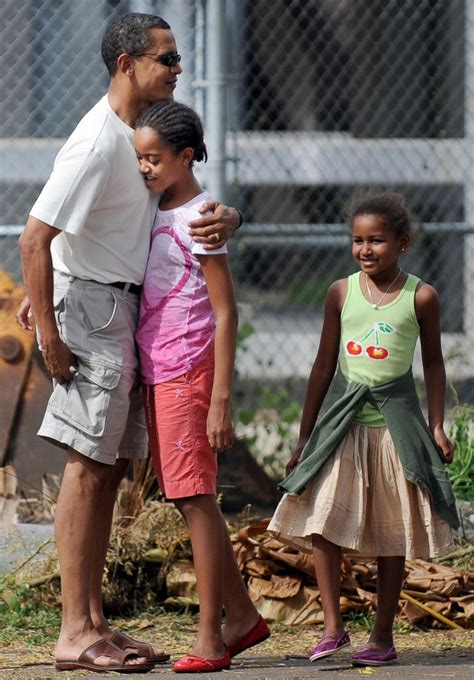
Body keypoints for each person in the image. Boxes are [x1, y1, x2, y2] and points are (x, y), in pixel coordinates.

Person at [18, 13, 243, 674]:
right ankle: (73, 633)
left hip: (123, 308)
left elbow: (175, 200)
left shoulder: (141, 138)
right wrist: (54, 332)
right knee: (88, 469)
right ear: (127, 65)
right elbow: (35, 236)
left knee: (110, 467)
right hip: (91, 308)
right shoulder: (96, 142)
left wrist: (228, 215)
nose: (178, 70)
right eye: (166, 60)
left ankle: (94, 624)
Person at [268, 191, 459, 667]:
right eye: (357, 240)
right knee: (322, 521)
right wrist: (304, 435)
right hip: (343, 427)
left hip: (396, 430)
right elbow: (322, 366)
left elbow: (433, 364)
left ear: (403, 243)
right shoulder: (341, 292)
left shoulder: (421, 296)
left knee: (392, 535)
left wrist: (437, 425)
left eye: (377, 240)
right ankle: (333, 628)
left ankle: (381, 635)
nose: (365, 249)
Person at [133, 99, 270, 673]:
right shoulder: (152, 205)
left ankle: (211, 637)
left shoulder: (201, 217)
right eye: (139, 158)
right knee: (187, 497)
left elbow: (226, 310)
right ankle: (243, 620)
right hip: (158, 370)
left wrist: (219, 401)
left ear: (186, 156)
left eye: (155, 158)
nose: (144, 168)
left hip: (189, 371)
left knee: (197, 502)